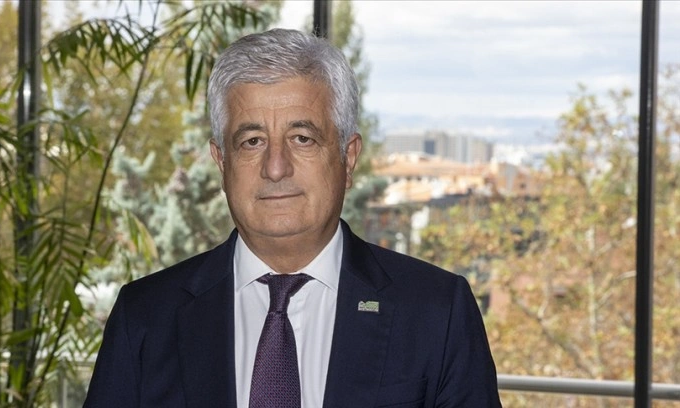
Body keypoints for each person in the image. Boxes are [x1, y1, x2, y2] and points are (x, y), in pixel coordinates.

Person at [84, 28, 501, 408]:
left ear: (348, 157)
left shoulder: (437, 312)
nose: (276, 167)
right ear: (221, 161)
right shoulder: (145, 317)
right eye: (252, 141)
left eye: (302, 138)